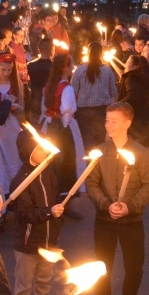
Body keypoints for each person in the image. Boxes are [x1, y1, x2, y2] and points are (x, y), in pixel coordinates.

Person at [85, 102, 149, 295]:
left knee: (134, 268)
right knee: (102, 268)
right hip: (105, 221)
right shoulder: (99, 151)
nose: (108, 125)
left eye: (113, 121)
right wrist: (106, 205)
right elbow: (91, 183)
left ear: (127, 123)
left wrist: (131, 207)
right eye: (107, 120)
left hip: (132, 222)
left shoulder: (141, 152)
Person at [11, 130, 66, 295]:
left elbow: (55, 197)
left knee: (45, 278)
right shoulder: (21, 180)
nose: (45, 150)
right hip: (28, 242)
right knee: (24, 282)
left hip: (48, 239)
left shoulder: (49, 173)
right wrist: (49, 212)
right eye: (40, 147)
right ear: (28, 151)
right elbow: (25, 213)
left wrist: (58, 213)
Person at [0, 53, 25, 228]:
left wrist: (16, 107)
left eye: (9, 70)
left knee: (15, 161)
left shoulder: (15, 83)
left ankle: (16, 201)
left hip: (11, 127)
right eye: (3, 69)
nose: (6, 73)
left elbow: (22, 105)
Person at [40, 54, 87, 197]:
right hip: (64, 127)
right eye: (71, 65)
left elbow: (44, 108)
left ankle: (52, 188)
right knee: (68, 157)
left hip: (49, 125)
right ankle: (66, 190)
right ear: (65, 68)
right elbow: (67, 111)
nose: (72, 68)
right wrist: (66, 125)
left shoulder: (48, 86)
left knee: (52, 157)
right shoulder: (67, 88)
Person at [72, 42, 117, 152]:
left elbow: (73, 90)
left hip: (83, 112)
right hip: (101, 111)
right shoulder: (107, 70)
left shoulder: (80, 70)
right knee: (100, 142)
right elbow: (113, 92)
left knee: (87, 143)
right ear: (101, 54)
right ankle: (98, 166)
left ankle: (89, 166)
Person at [118, 55, 149, 145]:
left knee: (131, 144)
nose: (125, 64)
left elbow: (133, 96)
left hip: (133, 116)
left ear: (136, 66)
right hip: (142, 115)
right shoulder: (142, 78)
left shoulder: (130, 79)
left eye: (128, 62)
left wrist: (118, 105)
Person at [28, 38, 54, 124]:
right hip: (51, 105)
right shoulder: (55, 68)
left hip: (35, 103)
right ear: (52, 50)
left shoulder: (31, 66)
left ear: (39, 49)